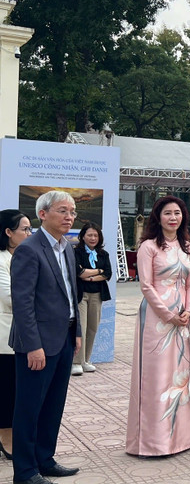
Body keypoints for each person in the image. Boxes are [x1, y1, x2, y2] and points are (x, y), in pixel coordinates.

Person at [10, 191, 81, 484]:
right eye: (63, 211)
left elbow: (70, 294)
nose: (69, 217)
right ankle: (25, 471)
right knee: (29, 407)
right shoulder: (30, 249)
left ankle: (45, 459)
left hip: (63, 338)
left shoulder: (66, 247)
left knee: (54, 403)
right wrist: (33, 346)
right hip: (38, 343)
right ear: (43, 214)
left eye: (73, 211)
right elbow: (22, 303)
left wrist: (75, 331)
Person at [126, 196, 190, 457]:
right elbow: (146, 285)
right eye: (167, 213)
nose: (173, 218)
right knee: (155, 379)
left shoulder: (188, 247)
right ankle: (151, 442)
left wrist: (188, 311)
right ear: (158, 217)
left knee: (178, 378)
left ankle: (180, 439)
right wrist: (168, 315)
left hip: (182, 320)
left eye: (177, 213)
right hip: (156, 320)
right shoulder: (148, 247)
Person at [0, 210, 31, 461]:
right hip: (4, 334)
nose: (29, 234)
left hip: (21, 333)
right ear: (8, 232)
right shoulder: (1, 259)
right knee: (7, 389)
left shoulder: (22, 256)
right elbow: (11, 297)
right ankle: (6, 438)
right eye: (24, 229)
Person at [71, 222, 112, 377]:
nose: (93, 238)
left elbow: (107, 273)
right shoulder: (77, 252)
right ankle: (76, 362)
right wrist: (97, 272)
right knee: (81, 327)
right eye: (89, 235)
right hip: (82, 294)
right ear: (83, 236)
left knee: (92, 327)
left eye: (96, 235)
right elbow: (79, 272)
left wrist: (92, 276)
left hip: (97, 295)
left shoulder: (103, 254)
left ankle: (86, 360)